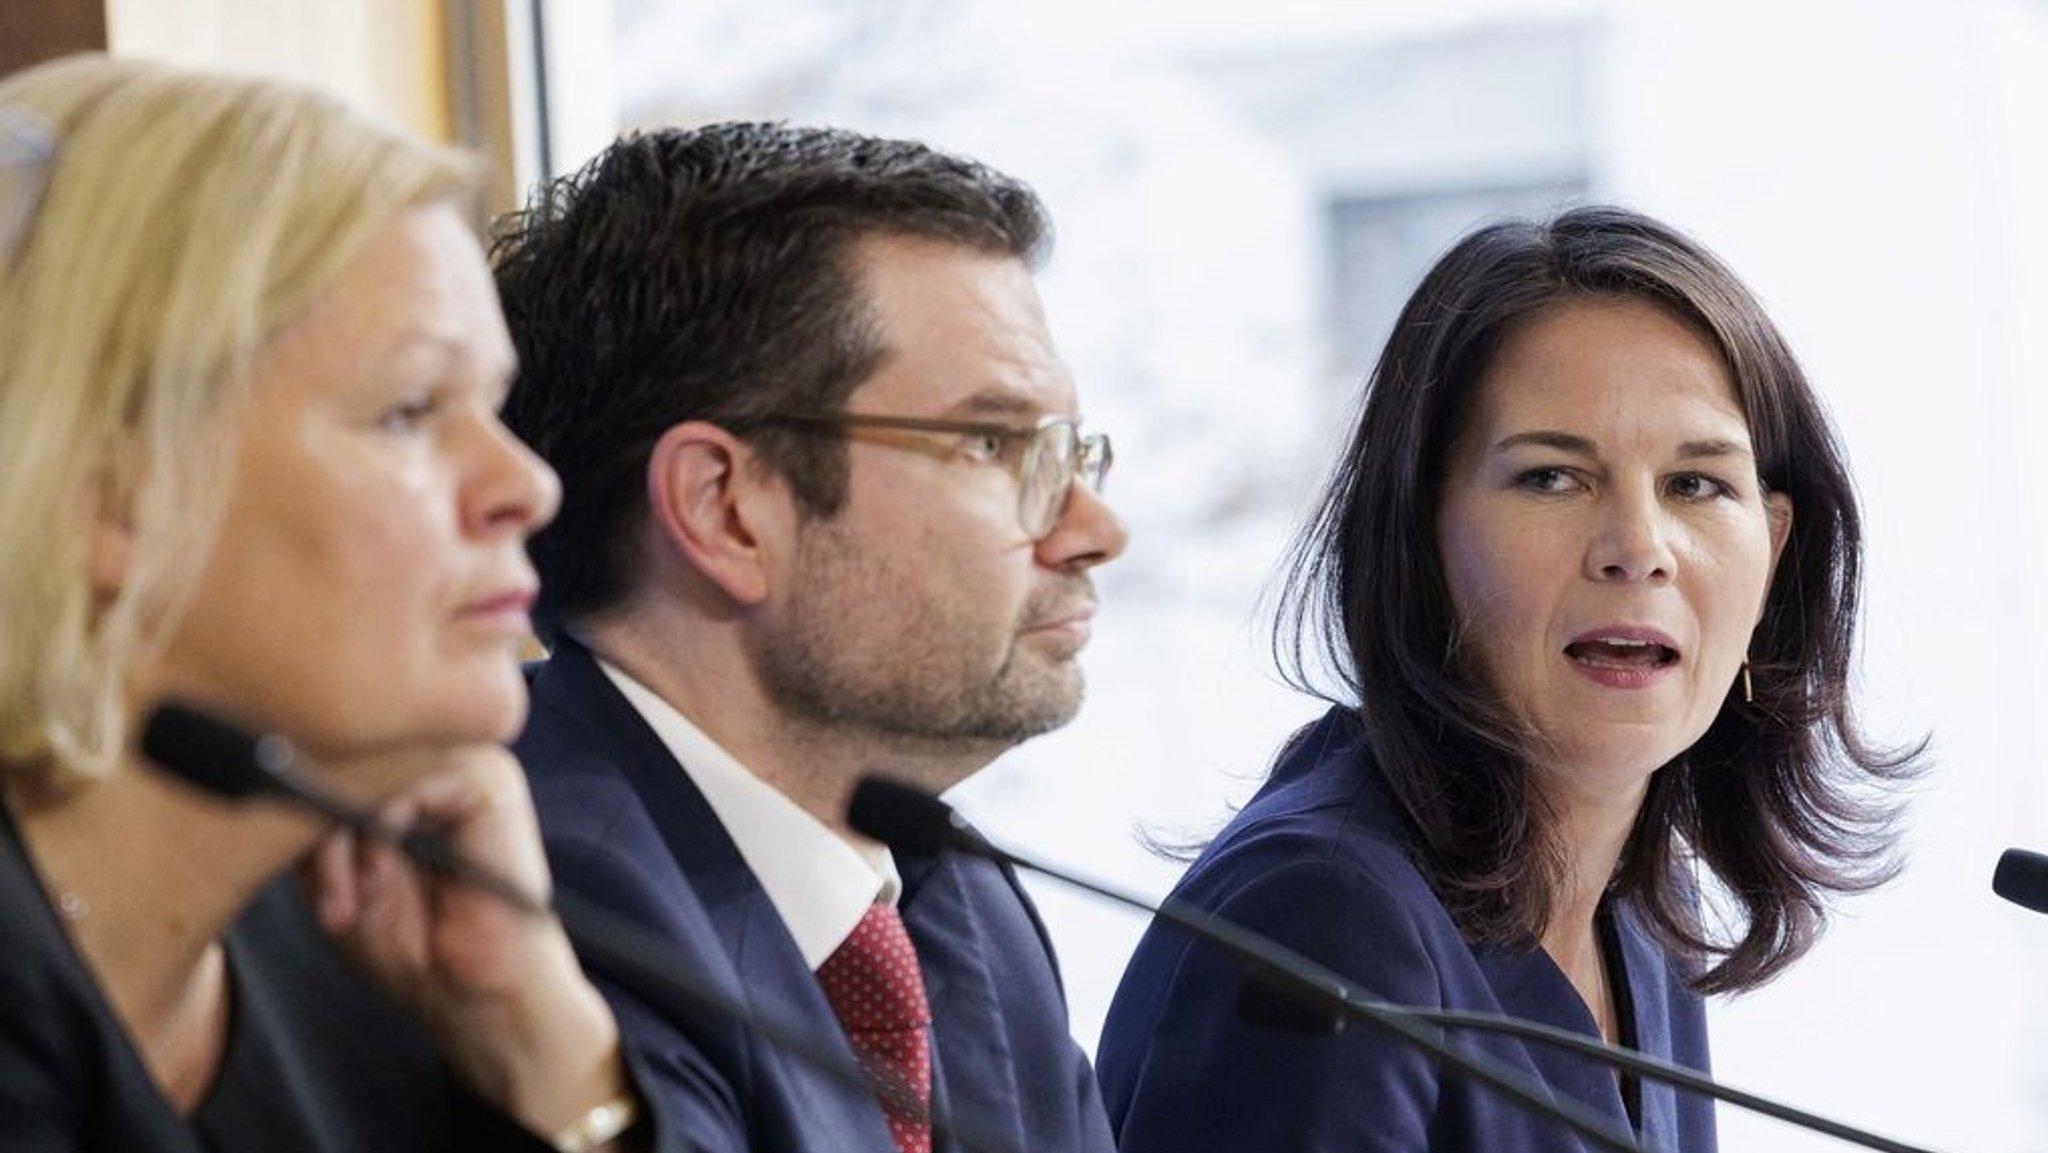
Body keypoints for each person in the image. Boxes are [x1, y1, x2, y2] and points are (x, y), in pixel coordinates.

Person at [1095, 205, 1921, 1151]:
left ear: (1774, 547)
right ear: (1420, 532)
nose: (1638, 549)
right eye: (1552, 478)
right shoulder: (1325, 911)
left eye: (1696, 485)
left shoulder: (1638, 902)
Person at [0, 54, 688, 1152]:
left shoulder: (365, 948)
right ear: (104, 498)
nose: (528, 483)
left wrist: (545, 1053)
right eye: (413, 408)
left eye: (493, 407)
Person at [490, 121, 1127, 1153]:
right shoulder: (538, 898)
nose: (1094, 532)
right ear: (727, 508)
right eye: (992, 443)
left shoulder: (953, 898)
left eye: (1070, 454)